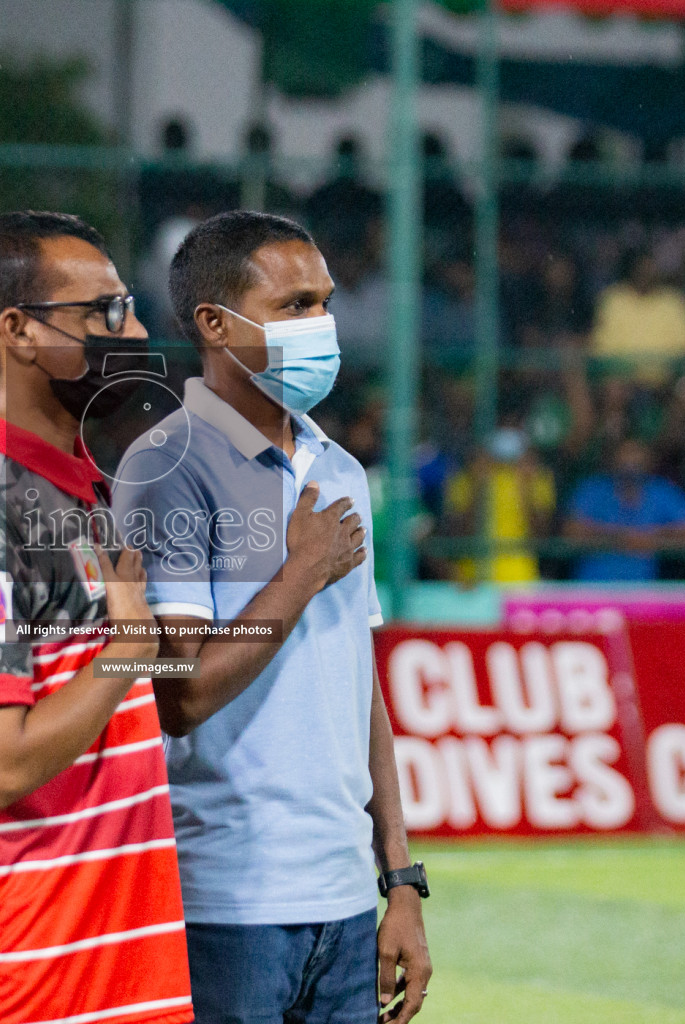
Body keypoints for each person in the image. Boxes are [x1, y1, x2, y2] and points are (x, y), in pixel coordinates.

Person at [110, 210, 431, 1024]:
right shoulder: (165, 468)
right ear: (215, 324)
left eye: (324, 302)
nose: (322, 324)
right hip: (227, 906)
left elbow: (360, 689)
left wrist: (399, 879)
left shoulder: (342, 470)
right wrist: (300, 573)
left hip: (349, 903)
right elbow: (177, 693)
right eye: (294, 305)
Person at [0, 211, 192, 1024]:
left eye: (127, 307)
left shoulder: (77, 486)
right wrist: (131, 652)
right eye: (103, 315)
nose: (131, 332)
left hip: (106, 966)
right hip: (23, 979)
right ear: (17, 332)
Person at [563, 437, 685, 581]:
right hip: (591, 589)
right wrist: (618, 538)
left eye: (636, 455)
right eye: (625, 455)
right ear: (613, 459)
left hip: (642, 592)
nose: (630, 464)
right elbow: (571, 531)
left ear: (649, 460)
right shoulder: (593, 490)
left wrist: (650, 540)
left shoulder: (661, 491)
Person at [443, 425, 555, 585]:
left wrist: (526, 490)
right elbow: (458, 538)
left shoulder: (537, 478)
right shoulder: (464, 479)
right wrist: (477, 487)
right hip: (472, 580)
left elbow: (542, 539)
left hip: (520, 578)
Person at [589, 249, 685, 383]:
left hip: (668, 379)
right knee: (614, 387)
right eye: (641, 269)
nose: (646, 274)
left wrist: (662, 372)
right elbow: (604, 348)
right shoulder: (613, 298)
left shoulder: (675, 300)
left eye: (650, 269)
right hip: (624, 379)